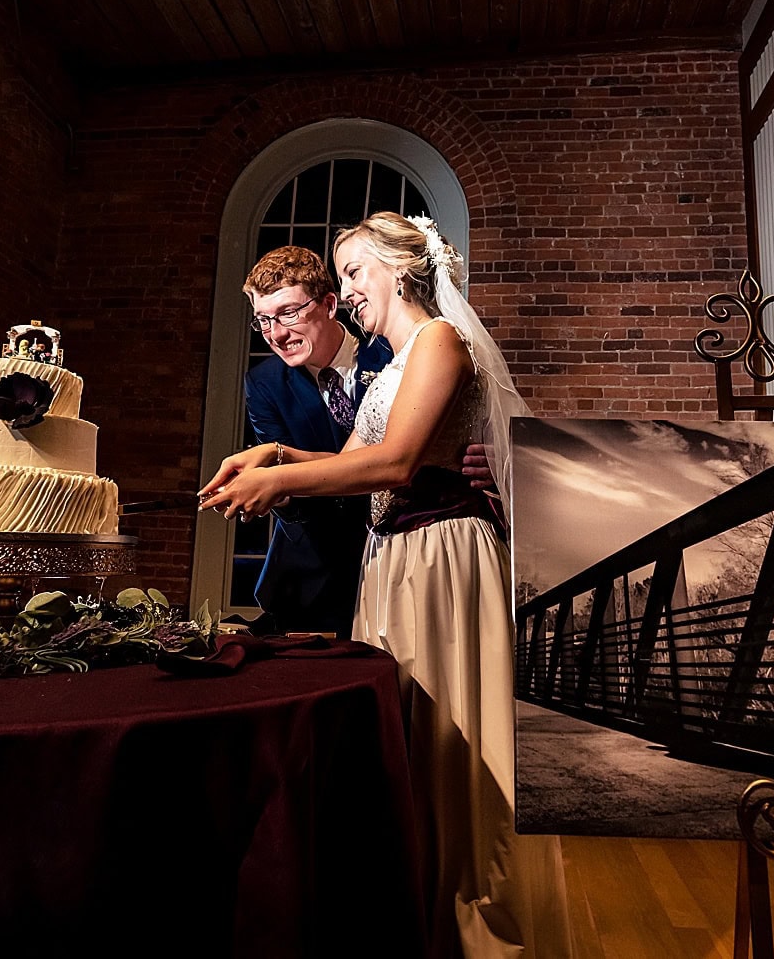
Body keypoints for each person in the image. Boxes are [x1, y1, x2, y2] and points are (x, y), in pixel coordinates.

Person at [201, 213, 572, 958]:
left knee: (451, 739)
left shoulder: (439, 340)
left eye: (353, 273)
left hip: (438, 557)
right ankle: (415, 909)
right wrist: (273, 454)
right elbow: (347, 458)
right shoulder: (401, 353)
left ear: (400, 270)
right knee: (406, 741)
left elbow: (396, 463)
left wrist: (278, 475)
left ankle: (469, 916)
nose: (345, 291)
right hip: (393, 558)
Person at [240, 245, 393, 637]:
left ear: (329, 304)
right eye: (263, 320)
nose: (276, 334)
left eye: (289, 313)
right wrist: (278, 495)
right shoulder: (263, 383)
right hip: (311, 581)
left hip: (399, 561)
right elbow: (289, 486)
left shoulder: (392, 356)